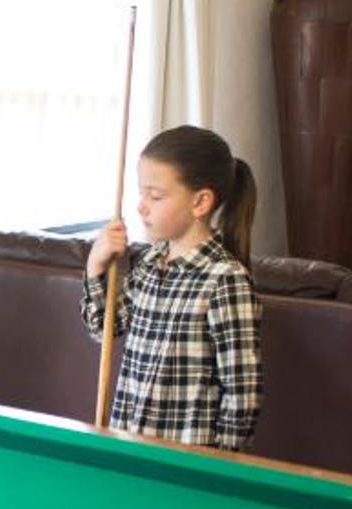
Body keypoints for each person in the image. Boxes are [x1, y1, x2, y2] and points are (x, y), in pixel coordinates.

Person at [83, 125, 261, 449]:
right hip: (130, 444)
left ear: (200, 202)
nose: (141, 206)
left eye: (156, 196)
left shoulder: (225, 279)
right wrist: (95, 266)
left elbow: (242, 393)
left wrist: (221, 461)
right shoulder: (150, 263)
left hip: (188, 459)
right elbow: (103, 330)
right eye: (141, 193)